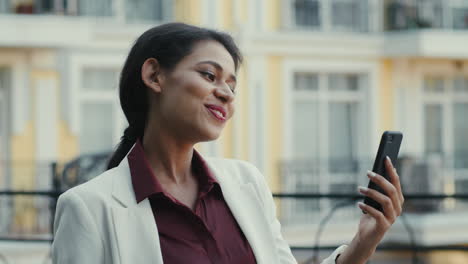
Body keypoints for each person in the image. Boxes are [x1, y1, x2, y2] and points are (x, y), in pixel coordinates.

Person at [51, 23, 404, 264]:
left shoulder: (246, 183)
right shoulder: (88, 208)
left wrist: (363, 243)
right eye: (209, 75)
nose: (226, 94)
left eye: (232, 86)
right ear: (154, 75)